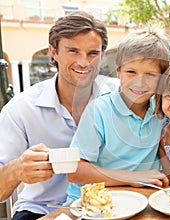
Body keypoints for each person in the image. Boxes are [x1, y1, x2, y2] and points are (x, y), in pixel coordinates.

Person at [0, 11, 116, 219]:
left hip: (109, 205)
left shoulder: (121, 97)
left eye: (92, 53)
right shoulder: (21, 109)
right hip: (42, 208)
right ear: (53, 52)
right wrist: (17, 169)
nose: (83, 62)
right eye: (73, 51)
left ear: (102, 55)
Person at [65, 29, 170, 203]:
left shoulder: (163, 110)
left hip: (141, 201)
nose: (140, 82)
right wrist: (133, 177)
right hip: (90, 204)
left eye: (150, 75)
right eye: (131, 72)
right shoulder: (98, 111)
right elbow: (74, 170)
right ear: (118, 72)